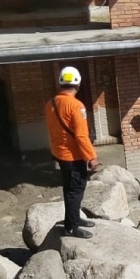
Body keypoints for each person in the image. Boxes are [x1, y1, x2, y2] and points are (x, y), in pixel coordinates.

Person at [45, 66, 99, 239]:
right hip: (73, 156)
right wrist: (91, 157)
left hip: (60, 154)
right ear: (78, 83)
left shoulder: (51, 103)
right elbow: (81, 135)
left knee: (70, 189)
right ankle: (71, 226)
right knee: (75, 190)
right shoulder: (76, 106)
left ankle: (74, 218)